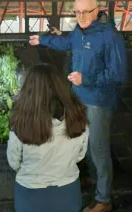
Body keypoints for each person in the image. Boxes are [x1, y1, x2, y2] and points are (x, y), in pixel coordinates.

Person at [29, 0, 127, 212]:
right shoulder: (80, 32)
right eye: (77, 12)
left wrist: (87, 79)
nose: (81, 16)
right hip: (79, 98)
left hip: (98, 102)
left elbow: (118, 75)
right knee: (86, 144)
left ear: (97, 10)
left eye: (86, 12)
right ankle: (93, 178)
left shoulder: (110, 36)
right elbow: (66, 42)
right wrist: (42, 40)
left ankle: (104, 199)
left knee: (98, 148)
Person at [7, 63, 89, 212]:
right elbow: (80, 155)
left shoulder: (20, 123)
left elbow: (14, 161)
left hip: (30, 195)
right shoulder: (78, 118)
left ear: (29, 90)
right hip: (68, 194)